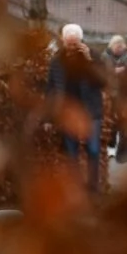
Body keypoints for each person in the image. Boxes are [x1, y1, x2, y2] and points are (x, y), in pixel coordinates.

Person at [46, 24, 108, 194]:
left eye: (75, 44)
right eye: (69, 43)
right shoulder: (57, 60)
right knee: (71, 151)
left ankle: (93, 187)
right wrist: (50, 117)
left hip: (90, 111)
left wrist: (89, 60)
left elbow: (102, 83)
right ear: (63, 41)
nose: (72, 47)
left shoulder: (93, 57)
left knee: (93, 150)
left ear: (81, 42)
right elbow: (51, 89)